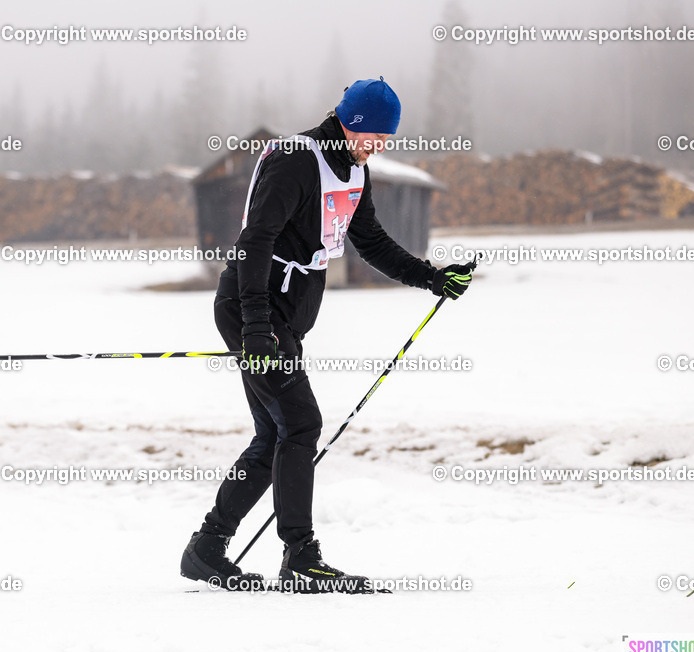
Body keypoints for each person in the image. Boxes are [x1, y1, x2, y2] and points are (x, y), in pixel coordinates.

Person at [180, 78, 474, 593]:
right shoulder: (297, 159)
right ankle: (300, 555)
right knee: (301, 424)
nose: (378, 146)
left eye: (386, 138)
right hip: (254, 309)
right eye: (372, 135)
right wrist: (253, 325)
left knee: (275, 434)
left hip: (284, 317)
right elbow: (255, 240)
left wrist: (431, 276)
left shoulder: (354, 171)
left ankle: (207, 547)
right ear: (350, 121)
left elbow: (372, 242)